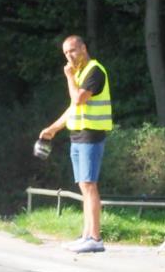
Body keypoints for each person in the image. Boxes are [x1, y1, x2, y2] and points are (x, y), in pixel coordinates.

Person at [39, 35, 112, 253]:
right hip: (77, 135)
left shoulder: (94, 71)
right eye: (66, 53)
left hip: (91, 135)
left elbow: (78, 99)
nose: (70, 56)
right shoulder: (80, 73)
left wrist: (69, 77)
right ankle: (86, 235)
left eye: (73, 50)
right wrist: (53, 128)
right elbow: (74, 108)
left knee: (89, 185)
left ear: (83, 48)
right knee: (83, 185)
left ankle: (96, 238)